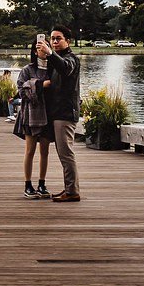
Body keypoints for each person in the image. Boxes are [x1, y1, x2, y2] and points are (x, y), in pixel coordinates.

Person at [42, 25, 82, 202]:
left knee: (66, 154)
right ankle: (69, 188)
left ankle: (72, 191)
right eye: (52, 38)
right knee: (63, 153)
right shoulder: (56, 59)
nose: (55, 41)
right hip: (57, 112)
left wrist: (50, 54)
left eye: (59, 38)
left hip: (65, 113)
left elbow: (66, 68)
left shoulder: (72, 59)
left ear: (68, 41)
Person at [16, 43, 53, 199]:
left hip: (49, 114)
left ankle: (42, 183)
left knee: (45, 151)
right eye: (39, 47)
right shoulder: (27, 70)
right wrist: (39, 85)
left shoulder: (54, 70)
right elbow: (21, 91)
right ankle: (28, 184)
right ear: (34, 51)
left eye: (45, 47)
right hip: (31, 115)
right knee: (30, 150)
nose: (42, 50)